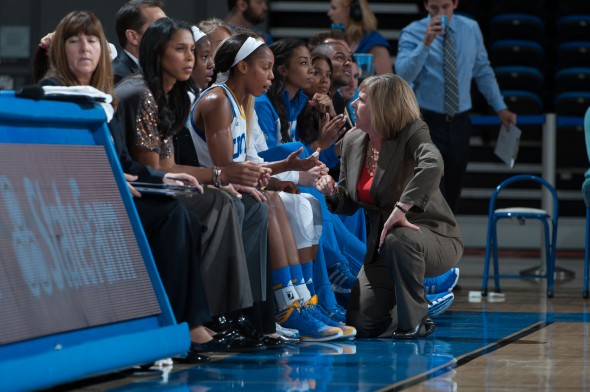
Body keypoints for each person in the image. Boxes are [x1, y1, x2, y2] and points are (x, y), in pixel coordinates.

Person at [38, 10, 217, 363]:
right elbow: (58, 161)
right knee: (173, 217)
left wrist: (165, 177)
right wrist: (111, 182)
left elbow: (126, 162)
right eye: (74, 41)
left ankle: (181, 322)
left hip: (114, 190)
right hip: (76, 198)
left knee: (184, 218)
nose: (85, 49)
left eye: (91, 41)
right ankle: (182, 325)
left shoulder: (103, 96)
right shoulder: (52, 92)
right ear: (61, 48)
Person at [115, 17, 278, 350]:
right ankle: (217, 313)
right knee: (222, 202)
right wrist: (221, 177)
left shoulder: (169, 94)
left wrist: (222, 177)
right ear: (155, 53)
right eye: (180, 50)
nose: (190, 59)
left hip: (157, 181)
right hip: (136, 190)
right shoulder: (142, 93)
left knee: (239, 203)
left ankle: (240, 312)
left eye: (193, 50)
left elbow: (169, 166)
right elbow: (154, 173)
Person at [316, 74, 463, 338]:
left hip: (430, 235)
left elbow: (433, 164)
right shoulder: (352, 141)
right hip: (382, 246)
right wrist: (331, 190)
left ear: (382, 107)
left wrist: (401, 208)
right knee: (361, 323)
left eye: (361, 101)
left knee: (400, 238)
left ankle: (417, 320)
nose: (352, 106)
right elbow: (349, 202)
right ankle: (408, 303)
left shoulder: (412, 132)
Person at [395, 0, 517, 212]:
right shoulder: (412, 32)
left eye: (445, 7)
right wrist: (425, 43)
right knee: (431, 191)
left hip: (460, 122)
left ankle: (447, 241)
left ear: (455, 4)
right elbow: (403, 76)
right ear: (425, 5)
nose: (440, 13)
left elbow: (483, 70)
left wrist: (500, 107)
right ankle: (432, 240)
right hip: (426, 122)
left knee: (453, 192)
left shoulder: (470, 28)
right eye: (434, 7)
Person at [327, 0, 392, 74]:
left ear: (350, 11)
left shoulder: (375, 44)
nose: (329, 13)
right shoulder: (338, 40)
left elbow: (388, 84)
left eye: (334, 8)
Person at [113, 0, 166, 84]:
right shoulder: (118, 76)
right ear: (133, 37)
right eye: (159, 27)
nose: (168, 34)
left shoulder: (161, 72)